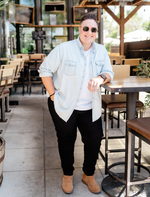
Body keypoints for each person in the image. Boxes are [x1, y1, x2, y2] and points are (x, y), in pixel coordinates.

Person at [39, 13, 114, 194]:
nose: (89, 32)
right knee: (66, 141)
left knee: (94, 140)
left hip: (91, 107)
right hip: (65, 106)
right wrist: (52, 95)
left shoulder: (101, 51)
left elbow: (109, 72)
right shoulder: (64, 48)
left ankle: (88, 175)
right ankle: (67, 175)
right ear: (79, 29)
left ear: (96, 32)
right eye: (86, 28)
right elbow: (45, 69)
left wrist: (100, 78)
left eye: (93, 29)